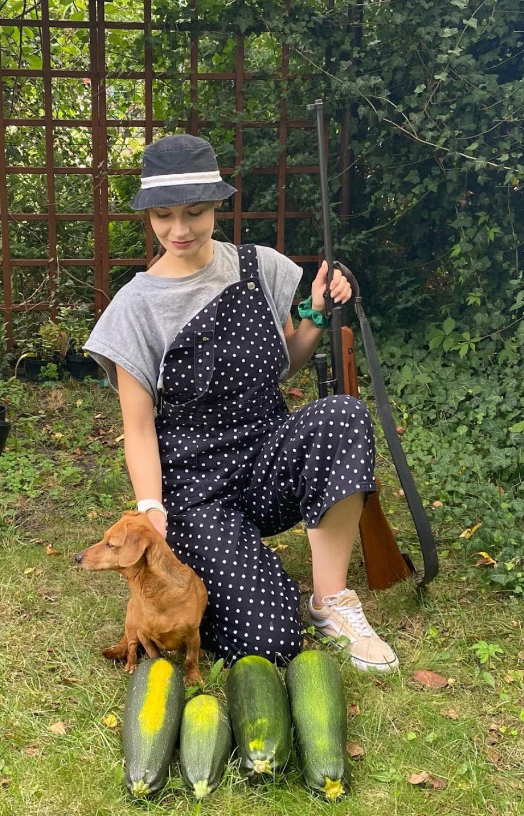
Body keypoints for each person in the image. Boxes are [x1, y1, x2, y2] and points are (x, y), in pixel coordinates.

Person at [84, 134, 398, 673]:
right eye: (164, 215)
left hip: (265, 458)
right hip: (198, 491)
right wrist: (151, 510)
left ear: (216, 205)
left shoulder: (261, 268)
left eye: (195, 212)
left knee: (344, 414)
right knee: (272, 639)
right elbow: (137, 429)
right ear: (149, 215)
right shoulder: (134, 307)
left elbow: (282, 364)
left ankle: (332, 601)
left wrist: (316, 315)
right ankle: (244, 574)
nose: (179, 229)